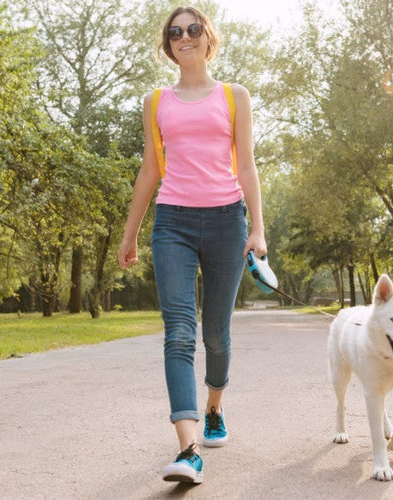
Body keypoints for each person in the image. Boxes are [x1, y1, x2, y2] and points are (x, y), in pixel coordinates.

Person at [117, 5, 267, 485]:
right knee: (179, 331)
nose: (185, 37)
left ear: (208, 38)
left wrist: (257, 229)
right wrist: (131, 232)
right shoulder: (156, 100)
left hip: (227, 222)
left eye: (193, 29)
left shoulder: (233, 95)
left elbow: (245, 166)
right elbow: (150, 170)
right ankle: (188, 449)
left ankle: (215, 409)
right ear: (168, 44)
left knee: (216, 335)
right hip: (173, 224)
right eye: (175, 32)